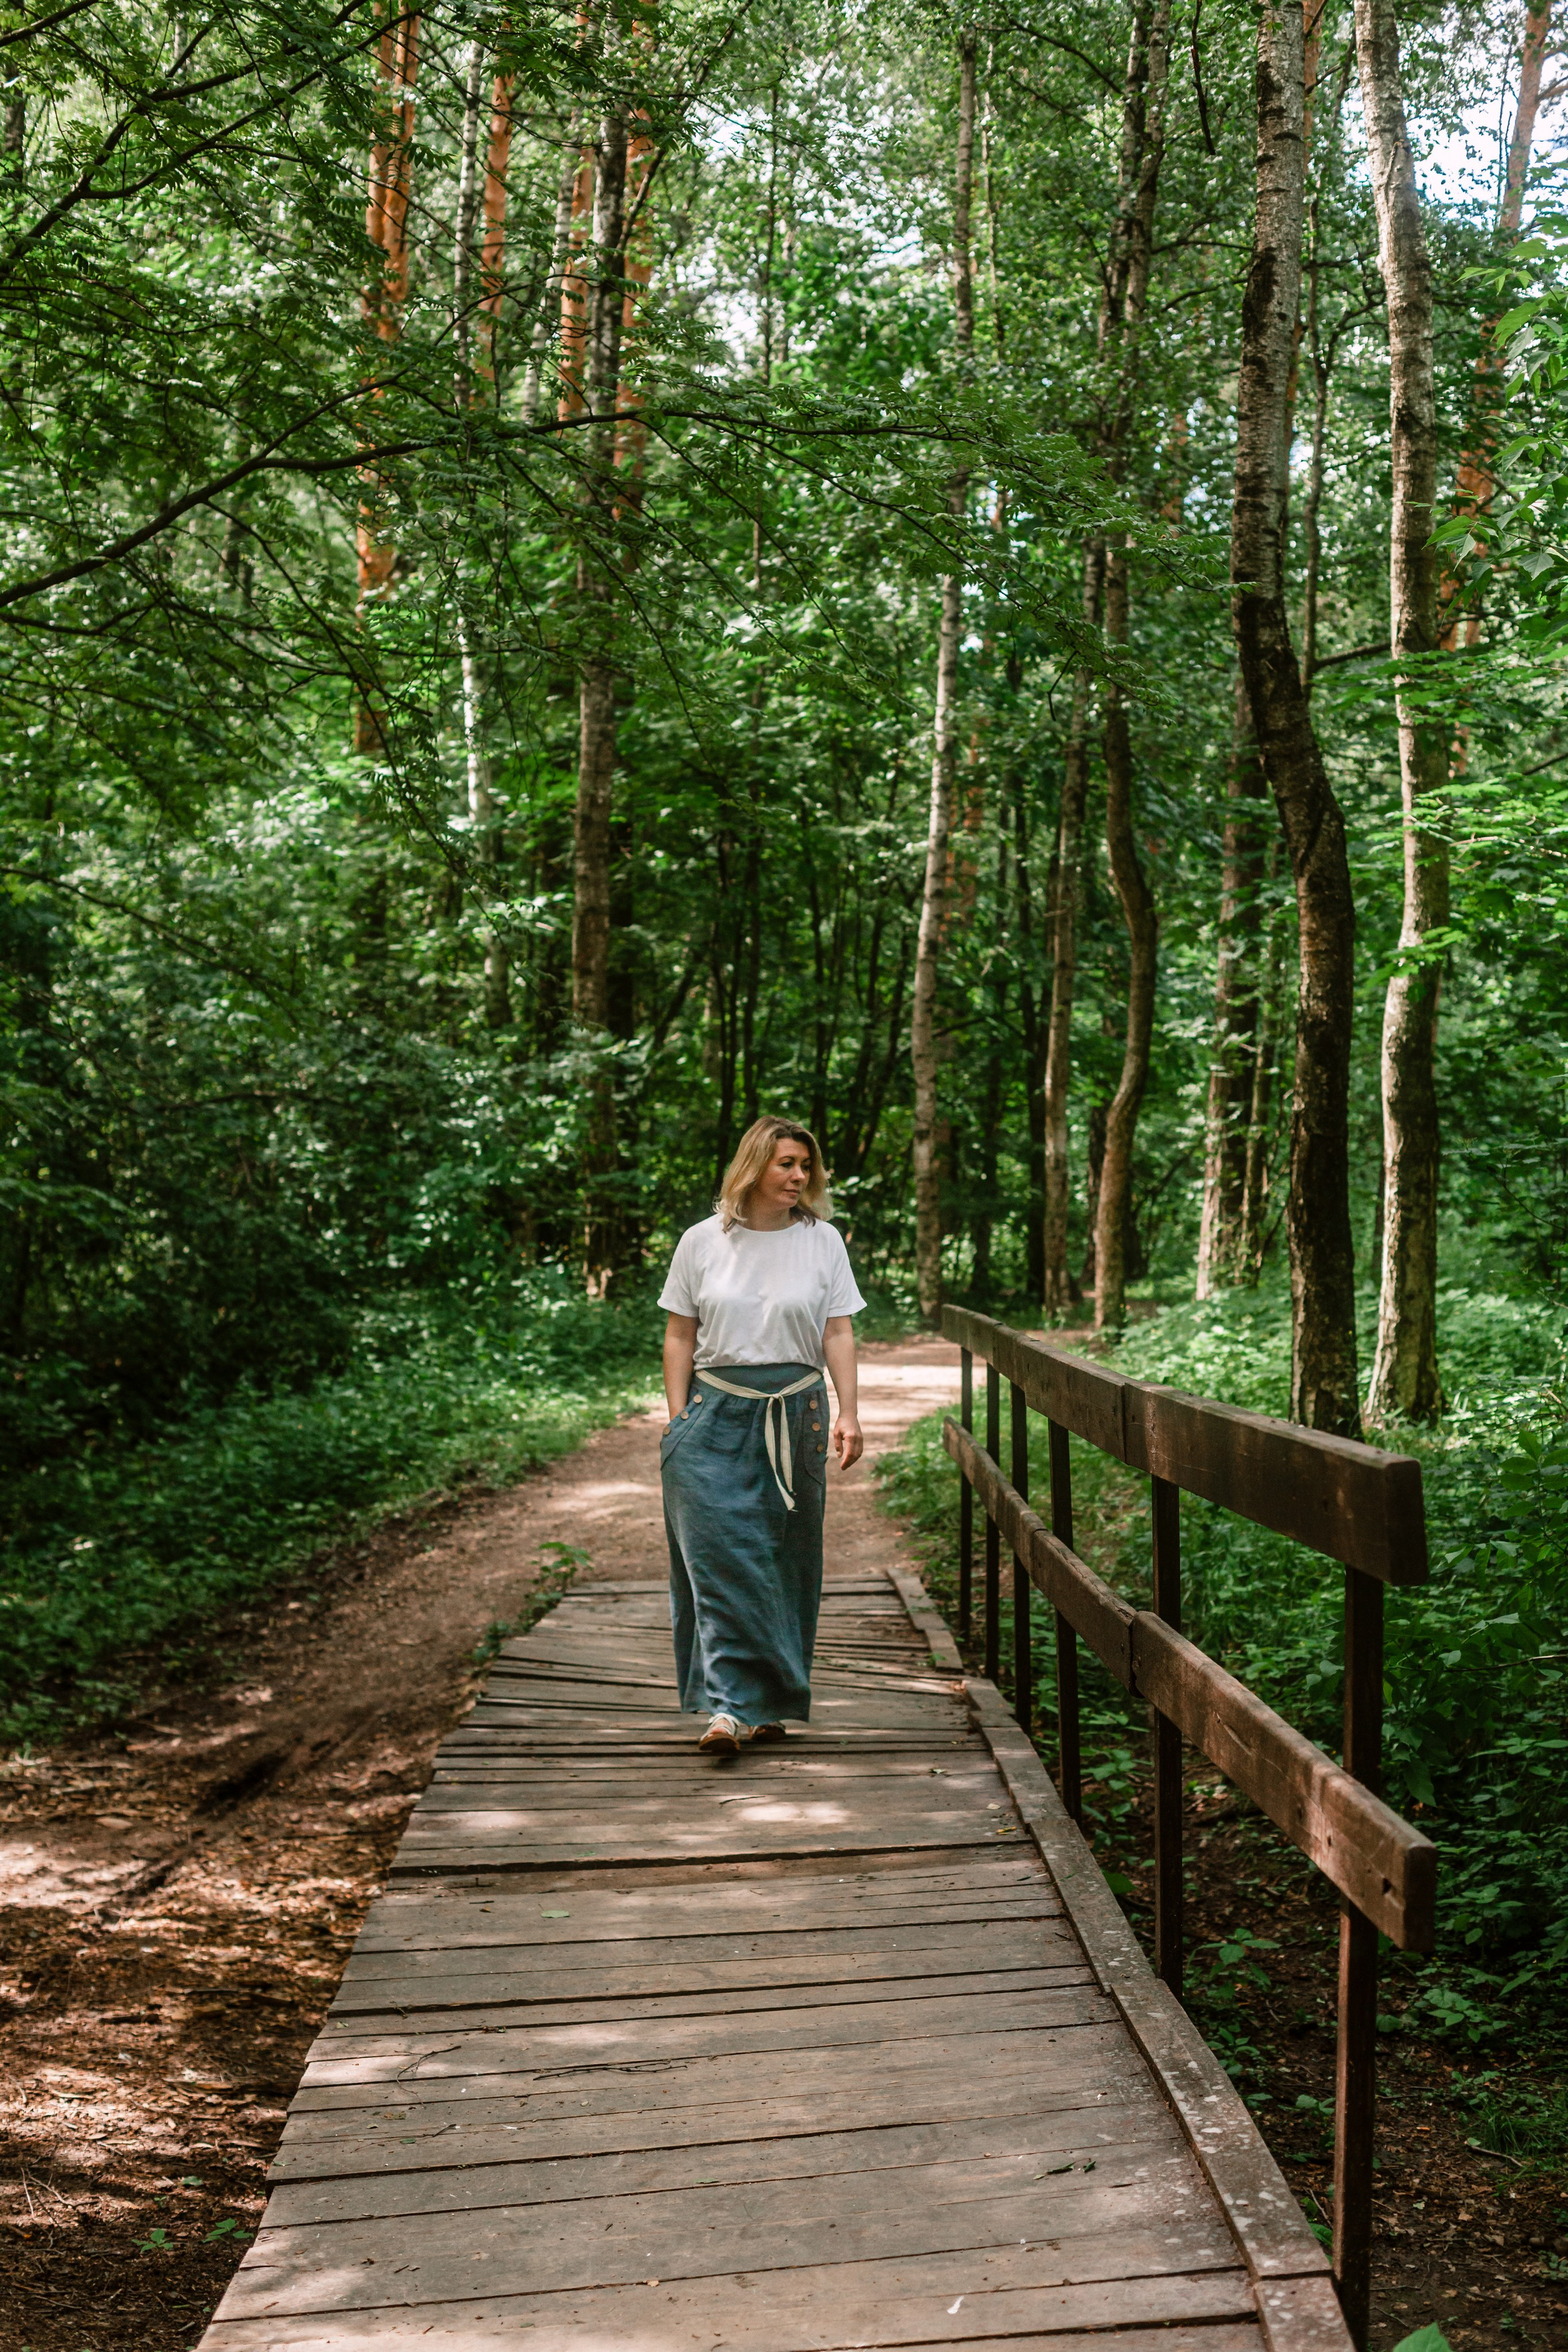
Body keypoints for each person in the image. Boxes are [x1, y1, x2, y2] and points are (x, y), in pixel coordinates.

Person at [657, 1115, 865, 1754]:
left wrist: (849, 1412)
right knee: (720, 1561)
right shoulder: (701, 1241)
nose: (800, 1176)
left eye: (806, 1165)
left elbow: (837, 1332)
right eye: (786, 1164)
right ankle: (727, 1708)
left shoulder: (822, 1240)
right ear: (752, 1167)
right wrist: (676, 1422)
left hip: (795, 1414)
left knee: (782, 1563)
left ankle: (767, 1703)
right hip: (712, 1415)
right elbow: (678, 1335)